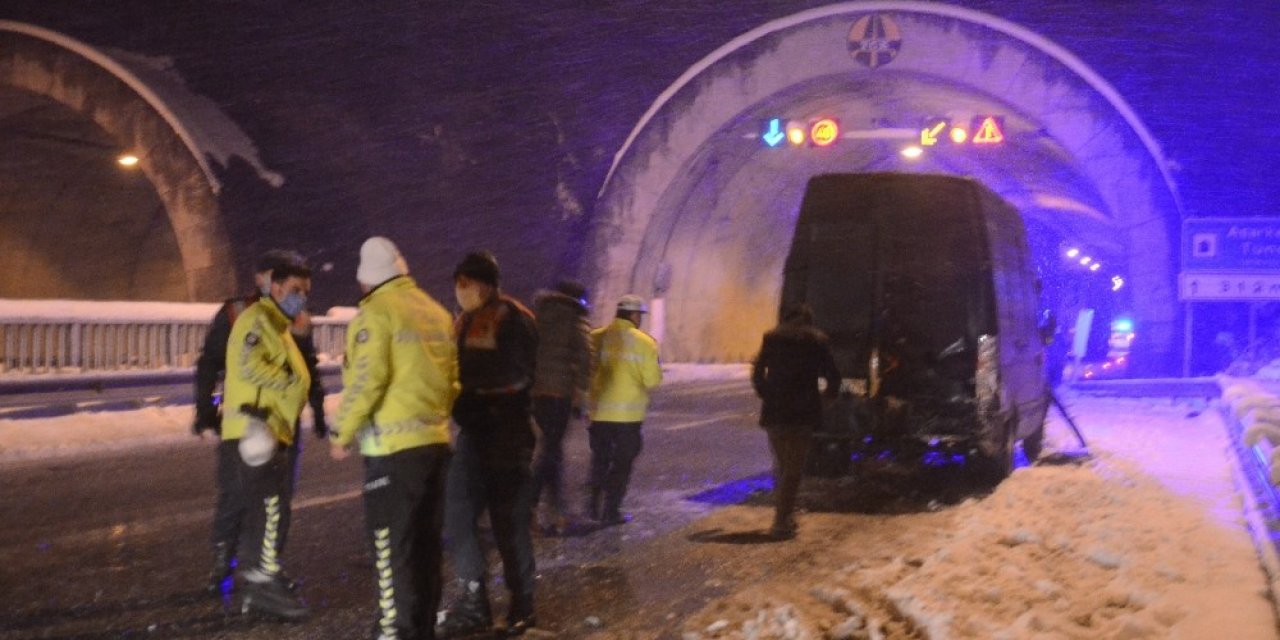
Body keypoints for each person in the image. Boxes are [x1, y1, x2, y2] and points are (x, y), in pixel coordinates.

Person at [329, 237, 458, 640]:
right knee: (425, 546)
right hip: (435, 445)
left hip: (391, 451)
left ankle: (393, 631)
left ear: (367, 281)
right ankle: (420, 629)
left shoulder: (375, 314)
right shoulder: (435, 312)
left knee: (389, 548)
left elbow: (368, 379)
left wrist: (341, 431)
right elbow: (453, 380)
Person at [195, 249, 327, 596]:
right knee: (236, 496)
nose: (295, 294)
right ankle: (223, 565)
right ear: (262, 279)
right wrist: (204, 408)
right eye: (274, 276)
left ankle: (267, 567)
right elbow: (212, 363)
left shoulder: (294, 320)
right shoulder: (239, 313)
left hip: (283, 423)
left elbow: (307, 365)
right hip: (250, 421)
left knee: (278, 501)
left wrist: (317, 408)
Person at [436, 251, 540, 638]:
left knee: (508, 524)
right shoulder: (462, 322)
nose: (460, 291)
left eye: (467, 283)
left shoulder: (513, 319)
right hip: (473, 435)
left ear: (487, 284)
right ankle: (474, 598)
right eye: (457, 284)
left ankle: (523, 606)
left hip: (507, 436)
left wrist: (479, 397)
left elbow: (520, 376)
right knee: (457, 514)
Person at [220, 261, 314, 619]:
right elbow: (250, 364)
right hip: (256, 432)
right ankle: (262, 583)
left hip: (272, 432)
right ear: (274, 287)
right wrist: (290, 379)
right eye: (295, 290)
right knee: (271, 511)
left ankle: (263, 577)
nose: (301, 297)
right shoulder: (258, 321)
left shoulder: (278, 325)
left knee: (272, 511)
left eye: (306, 291)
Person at [750, 303, 840, 539]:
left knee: (781, 464)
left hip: (775, 412)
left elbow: (758, 373)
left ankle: (784, 517)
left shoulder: (771, 338)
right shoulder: (816, 341)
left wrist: (767, 394)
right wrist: (826, 399)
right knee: (794, 468)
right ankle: (781, 520)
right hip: (803, 412)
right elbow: (833, 375)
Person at [584, 294, 662, 525]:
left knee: (599, 460)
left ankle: (592, 507)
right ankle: (611, 511)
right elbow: (652, 380)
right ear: (635, 315)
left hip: (599, 414)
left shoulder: (595, 337)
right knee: (621, 464)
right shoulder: (645, 342)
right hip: (628, 416)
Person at [530, 279, 592, 534]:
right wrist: (581, 390)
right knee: (551, 453)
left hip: (537, 393)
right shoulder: (575, 320)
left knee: (549, 449)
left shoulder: (538, 316)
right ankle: (536, 508)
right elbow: (586, 356)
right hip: (559, 394)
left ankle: (554, 510)